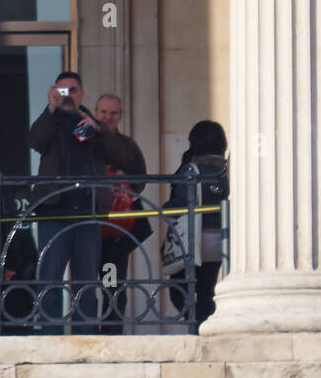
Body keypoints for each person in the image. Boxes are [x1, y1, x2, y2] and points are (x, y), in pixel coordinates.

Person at [28, 71, 118, 333]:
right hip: (53, 209)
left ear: (81, 94)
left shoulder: (89, 121)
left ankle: (86, 334)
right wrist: (50, 109)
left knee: (87, 280)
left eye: (73, 91)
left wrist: (96, 127)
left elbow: (114, 151)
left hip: (87, 210)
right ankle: (49, 334)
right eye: (62, 90)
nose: (68, 96)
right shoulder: (50, 121)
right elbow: (34, 141)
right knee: (50, 278)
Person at [94, 93, 151, 334]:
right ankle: (84, 335)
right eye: (104, 112)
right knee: (83, 287)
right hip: (88, 227)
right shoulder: (85, 140)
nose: (108, 117)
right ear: (96, 113)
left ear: (120, 116)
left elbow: (141, 180)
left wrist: (123, 179)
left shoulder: (128, 145)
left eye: (113, 113)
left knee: (113, 286)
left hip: (118, 232)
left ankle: (111, 336)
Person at [163, 120, 229, 326]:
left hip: (196, 240)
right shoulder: (228, 169)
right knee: (207, 287)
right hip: (222, 239)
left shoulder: (192, 168)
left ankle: (200, 325)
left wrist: (165, 208)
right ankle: (207, 322)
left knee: (178, 289)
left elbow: (179, 205)